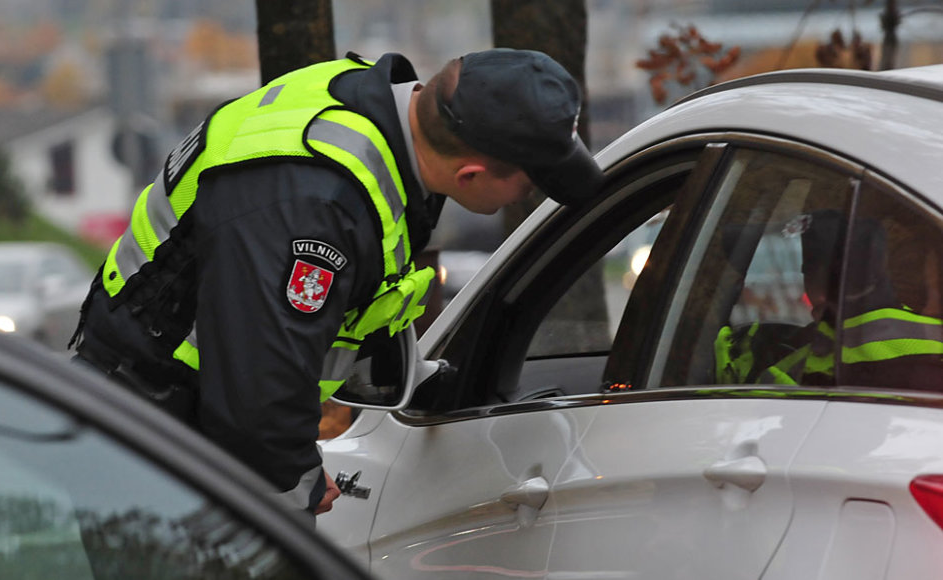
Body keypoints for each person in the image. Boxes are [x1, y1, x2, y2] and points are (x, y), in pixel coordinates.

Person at [69, 48, 604, 518]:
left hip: (185, 413)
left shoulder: (381, 126)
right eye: (530, 183)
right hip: (155, 433)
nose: (528, 196)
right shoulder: (313, 205)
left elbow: (340, 312)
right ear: (470, 174)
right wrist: (295, 487)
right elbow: (259, 389)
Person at [715, 209, 943, 388]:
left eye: (792, 272)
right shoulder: (813, 336)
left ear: (824, 292)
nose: (766, 285)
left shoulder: (901, 363)